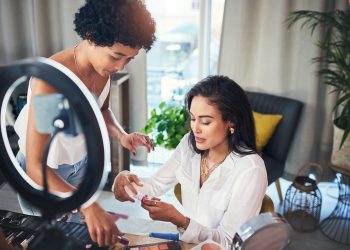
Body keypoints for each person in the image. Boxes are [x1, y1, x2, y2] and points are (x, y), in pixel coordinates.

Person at [13, 0, 156, 247]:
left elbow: (101, 109)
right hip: (47, 172)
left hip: (80, 163)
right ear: (90, 36)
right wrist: (88, 204)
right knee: (51, 239)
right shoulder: (52, 81)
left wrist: (122, 136)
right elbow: (36, 166)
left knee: (77, 232)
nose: (120, 66)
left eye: (129, 59)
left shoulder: (104, 70)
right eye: (117, 56)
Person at [113, 75, 268, 248]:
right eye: (193, 119)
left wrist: (179, 220)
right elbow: (156, 184)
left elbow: (228, 242)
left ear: (231, 121)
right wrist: (125, 181)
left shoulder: (251, 170)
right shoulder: (189, 144)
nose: (196, 129)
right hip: (186, 243)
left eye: (206, 121)